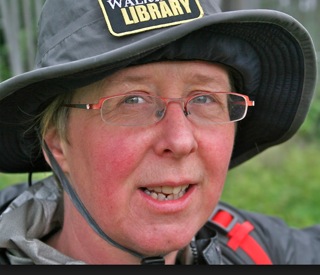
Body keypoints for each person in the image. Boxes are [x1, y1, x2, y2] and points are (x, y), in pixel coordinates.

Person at [0, 0, 318, 265]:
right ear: (57, 141)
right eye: (133, 100)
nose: (180, 141)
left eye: (205, 98)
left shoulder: (250, 246)